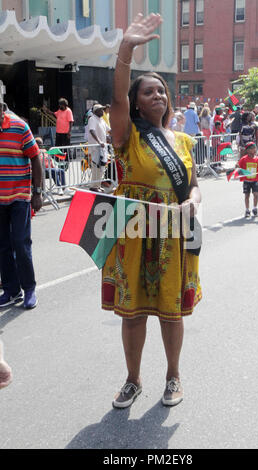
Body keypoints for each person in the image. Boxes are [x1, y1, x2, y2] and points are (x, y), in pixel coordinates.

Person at [105, 12, 202, 408]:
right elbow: (115, 97)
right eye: (148, 92)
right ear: (136, 103)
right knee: (133, 313)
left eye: (162, 91)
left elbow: (193, 186)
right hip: (132, 228)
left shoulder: (183, 141)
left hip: (175, 232)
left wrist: (194, 201)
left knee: (170, 310)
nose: (158, 96)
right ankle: (132, 379)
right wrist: (126, 49)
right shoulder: (126, 135)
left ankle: (173, 376)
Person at [0, 99, 42, 309]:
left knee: (20, 243)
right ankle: (10, 289)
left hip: (19, 196)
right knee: (3, 246)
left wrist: (38, 192)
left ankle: (29, 289)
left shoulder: (19, 126)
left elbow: (36, 159)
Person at [236, 142, 258, 218]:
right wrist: (237, 166)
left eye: (254, 148)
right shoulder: (244, 159)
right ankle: (247, 210)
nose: (254, 149)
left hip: (254, 180)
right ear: (248, 150)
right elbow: (238, 167)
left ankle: (255, 208)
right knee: (247, 196)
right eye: (252, 148)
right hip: (247, 181)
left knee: (256, 194)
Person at [88, 104, 111, 191]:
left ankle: (98, 185)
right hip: (96, 147)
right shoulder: (92, 119)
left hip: (103, 148)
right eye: (101, 110)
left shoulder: (101, 120)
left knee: (102, 167)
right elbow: (92, 130)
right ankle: (93, 186)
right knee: (96, 167)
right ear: (96, 111)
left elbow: (109, 130)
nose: (103, 111)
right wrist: (99, 141)